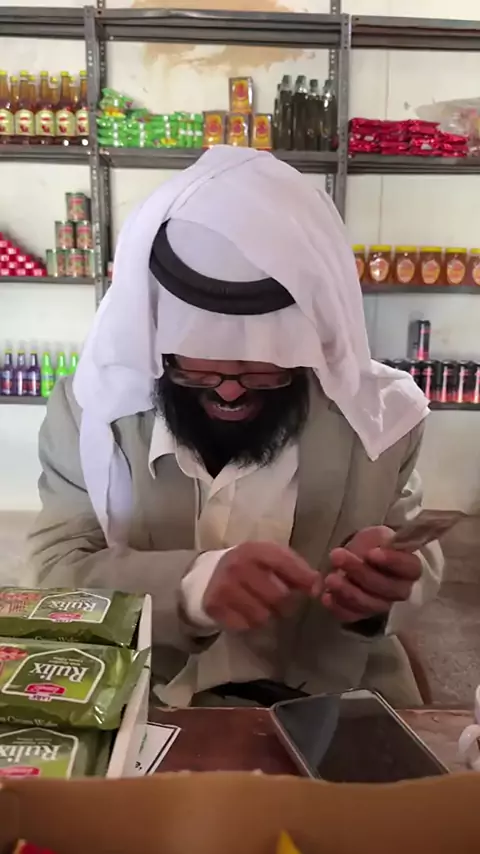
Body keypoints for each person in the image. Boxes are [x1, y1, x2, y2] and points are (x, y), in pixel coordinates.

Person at [28, 146, 442, 708]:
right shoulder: (90, 413)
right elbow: (56, 572)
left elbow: (412, 548)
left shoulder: (381, 418)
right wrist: (192, 587)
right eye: (196, 369)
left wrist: (388, 585)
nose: (228, 391)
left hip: (330, 696)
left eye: (261, 371)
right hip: (148, 699)